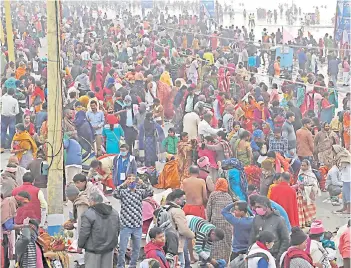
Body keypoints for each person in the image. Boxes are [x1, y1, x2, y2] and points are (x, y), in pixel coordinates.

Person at [113, 174, 153, 268]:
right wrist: (123, 184)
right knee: (122, 248)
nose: (131, 181)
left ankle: (133, 265)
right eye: (129, 179)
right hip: (125, 225)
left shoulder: (140, 192)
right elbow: (114, 193)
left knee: (136, 248)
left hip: (137, 225)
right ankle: (120, 266)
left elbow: (150, 192)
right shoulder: (123, 192)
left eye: (133, 179)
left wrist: (142, 183)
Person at [78, 192, 120, 268]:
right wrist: (114, 244)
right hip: (109, 249)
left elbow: (84, 233)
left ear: (92, 201)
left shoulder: (88, 214)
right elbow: (117, 229)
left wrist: (80, 246)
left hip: (93, 250)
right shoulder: (114, 212)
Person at [249, 196, 290, 264]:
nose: (257, 209)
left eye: (259, 207)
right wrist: (249, 252)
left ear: (267, 206)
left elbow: (285, 239)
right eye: (256, 207)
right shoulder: (256, 219)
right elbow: (252, 237)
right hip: (258, 255)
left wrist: (279, 257)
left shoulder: (279, 220)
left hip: (274, 255)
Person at [164, 189, 195, 267]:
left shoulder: (164, 208)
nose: (184, 202)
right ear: (177, 200)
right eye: (183, 200)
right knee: (180, 264)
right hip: (176, 242)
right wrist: (193, 235)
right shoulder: (177, 211)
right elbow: (183, 230)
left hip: (164, 241)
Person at [1, 192, 31, 267]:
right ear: (20, 199)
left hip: (4, 234)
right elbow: (9, 226)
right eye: (25, 203)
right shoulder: (10, 204)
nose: (24, 205)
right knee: (3, 260)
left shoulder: (10, 201)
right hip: (2, 234)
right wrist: (24, 226)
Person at [206, 178, 233, 262]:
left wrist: (208, 220)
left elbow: (209, 209)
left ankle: (214, 261)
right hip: (227, 222)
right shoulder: (228, 196)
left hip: (215, 222)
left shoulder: (213, 194)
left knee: (215, 242)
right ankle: (224, 261)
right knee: (226, 242)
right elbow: (231, 210)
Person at [296, 160, 320, 227]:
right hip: (301, 194)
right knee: (302, 209)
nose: (302, 167)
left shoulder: (311, 175)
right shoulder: (300, 174)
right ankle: (304, 222)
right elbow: (298, 182)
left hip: (309, 195)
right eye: (301, 165)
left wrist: (305, 187)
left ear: (308, 166)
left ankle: (311, 222)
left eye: (304, 165)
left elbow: (315, 186)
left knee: (309, 209)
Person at [332, 145, 351, 214]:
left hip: (348, 178)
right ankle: (344, 207)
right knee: (344, 193)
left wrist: (338, 164)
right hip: (345, 177)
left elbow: (343, 165)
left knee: (348, 193)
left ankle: (349, 209)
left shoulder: (344, 156)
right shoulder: (340, 156)